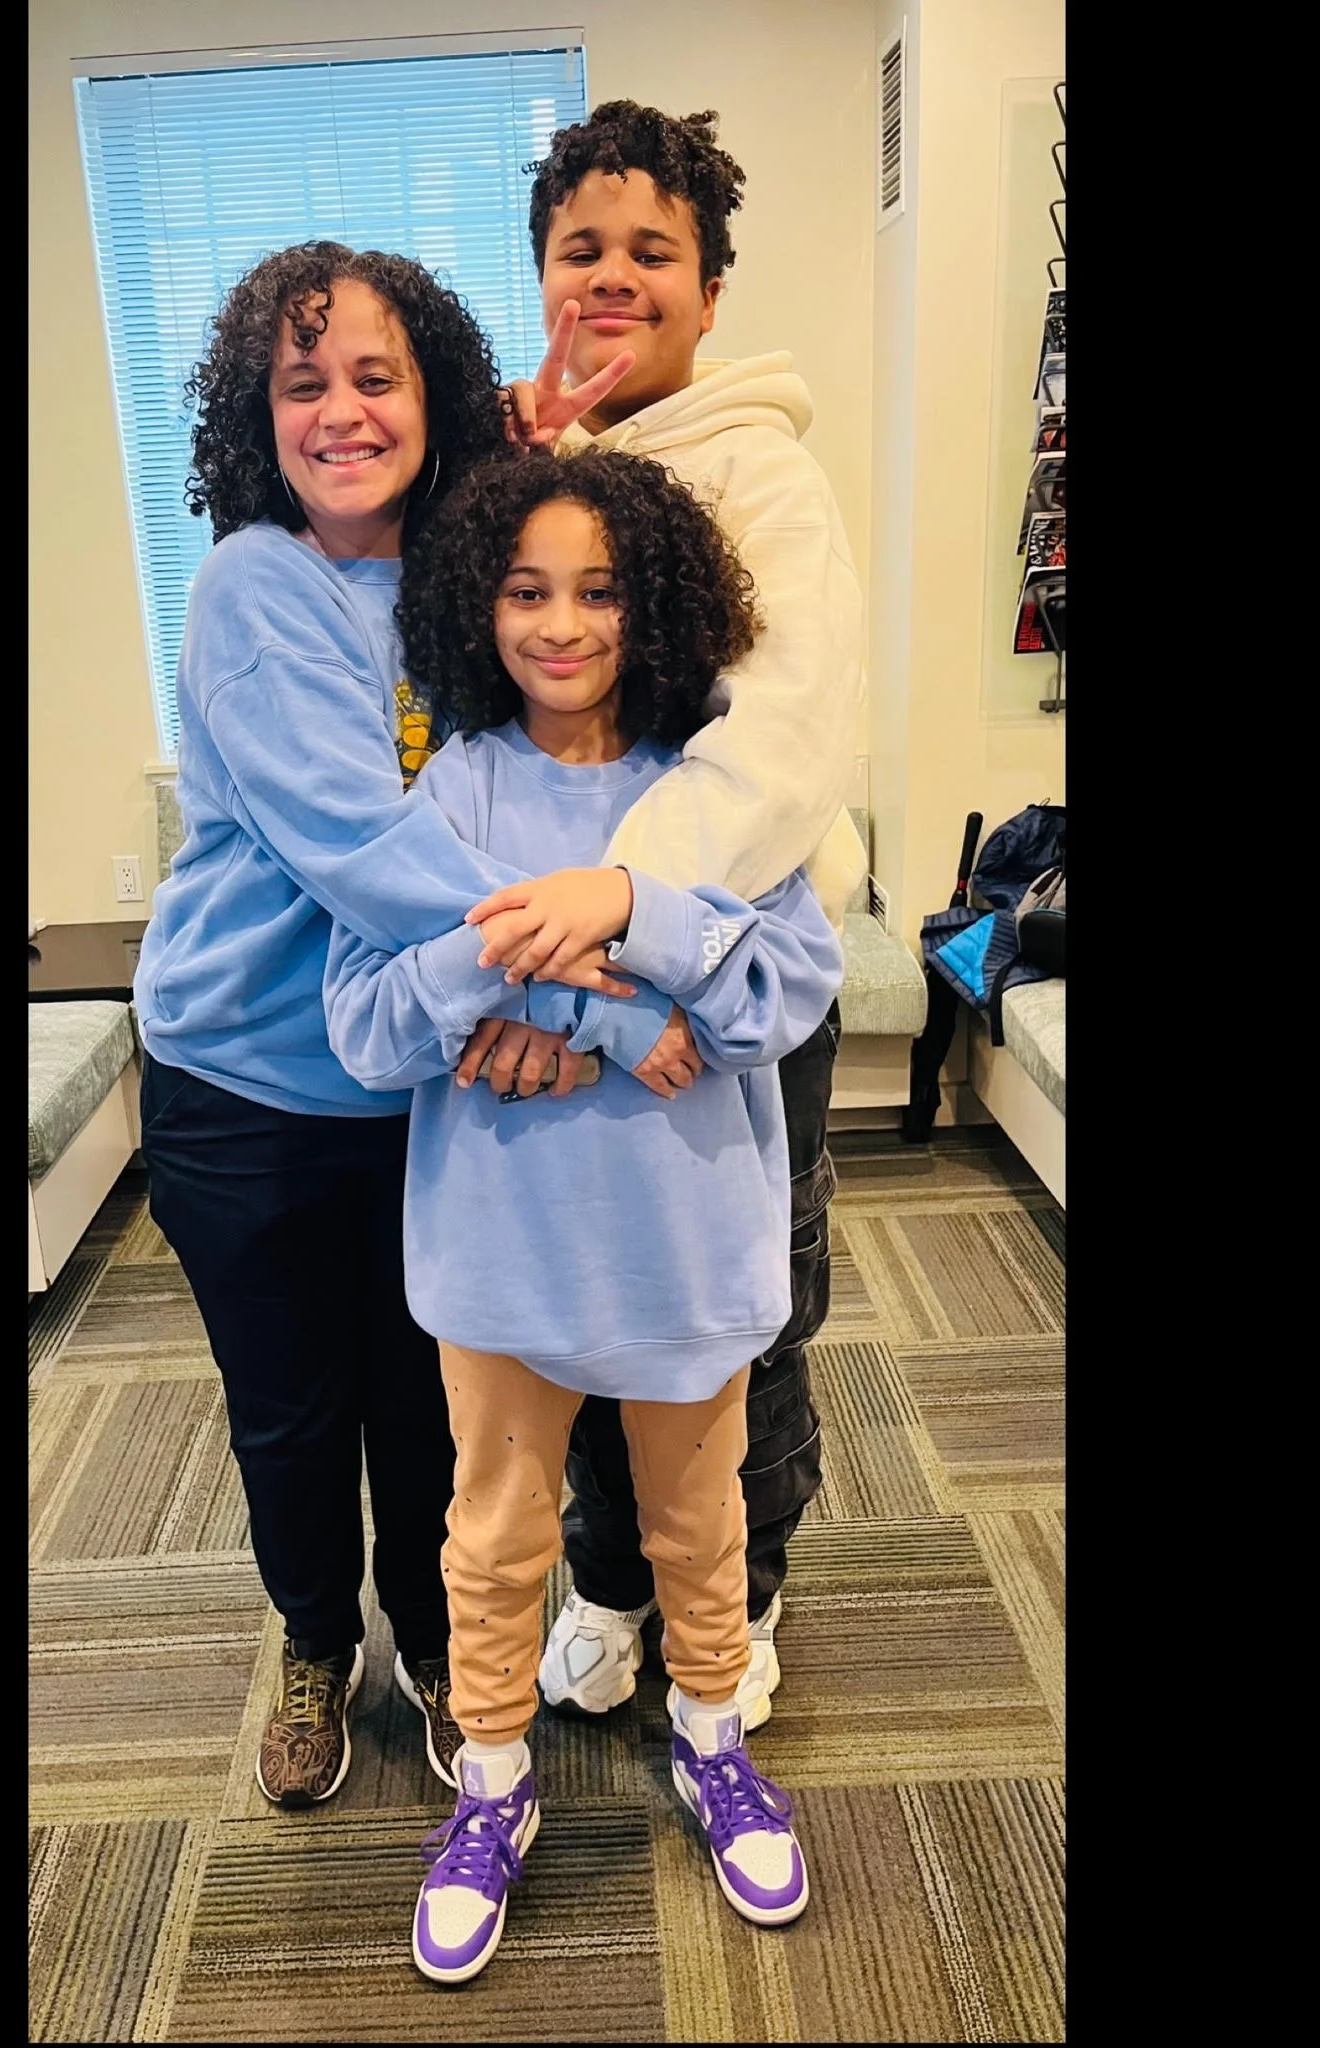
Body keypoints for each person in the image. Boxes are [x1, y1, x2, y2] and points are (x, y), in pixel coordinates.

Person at [324, 450, 844, 1982]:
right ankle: (491, 1781)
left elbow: (781, 989)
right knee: (493, 1541)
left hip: (683, 1245)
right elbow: (368, 1022)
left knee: (699, 1528)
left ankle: (707, 1734)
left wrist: (625, 911)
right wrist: (592, 1004)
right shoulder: (455, 788)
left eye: (602, 590)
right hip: (501, 1250)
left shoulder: (723, 787)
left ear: (663, 600)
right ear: (476, 601)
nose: (562, 625)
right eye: (527, 589)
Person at [131, 241, 631, 1810]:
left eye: (375, 377)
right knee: (291, 1409)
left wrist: (550, 458)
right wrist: (575, 975)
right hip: (245, 1085)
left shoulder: (469, 570)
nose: (341, 413)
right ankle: (308, 1640)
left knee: (430, 1400)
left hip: (421, 1082)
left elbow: (574, 721)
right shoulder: (248, 586)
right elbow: (365, 840)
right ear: (253, 417)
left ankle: (427, 1634)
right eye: (304, 385)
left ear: (432, 395)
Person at [467, 102, 869, 1729]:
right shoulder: (530, 474)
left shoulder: (761, 476)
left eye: (655, 252)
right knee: (576, 1292)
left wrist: (620, 907)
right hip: (562, 986)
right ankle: (618, 1582)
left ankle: (740, 1591)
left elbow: (785, 730)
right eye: (583, 251)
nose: (616, 278)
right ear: (542, 276)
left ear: (711, 289)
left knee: (735, 1307)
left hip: (731, 983)